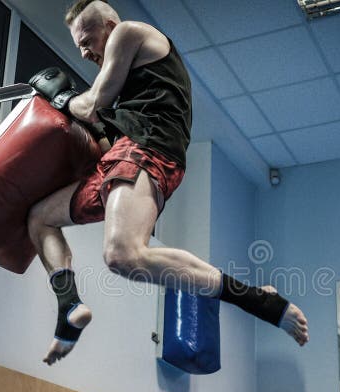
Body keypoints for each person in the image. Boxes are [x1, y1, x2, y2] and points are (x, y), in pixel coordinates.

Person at [26, 0, 309, 365]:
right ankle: (69, 308)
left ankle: (257, 300)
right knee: (39, 217)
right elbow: (105, 130)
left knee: (122, 255)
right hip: (121, 160)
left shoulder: (130, 33)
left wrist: (63, 98)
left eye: (87, 39)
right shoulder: (129, 85)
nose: (83, 52)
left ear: (109, 25)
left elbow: (92, 105)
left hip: (148, 150)